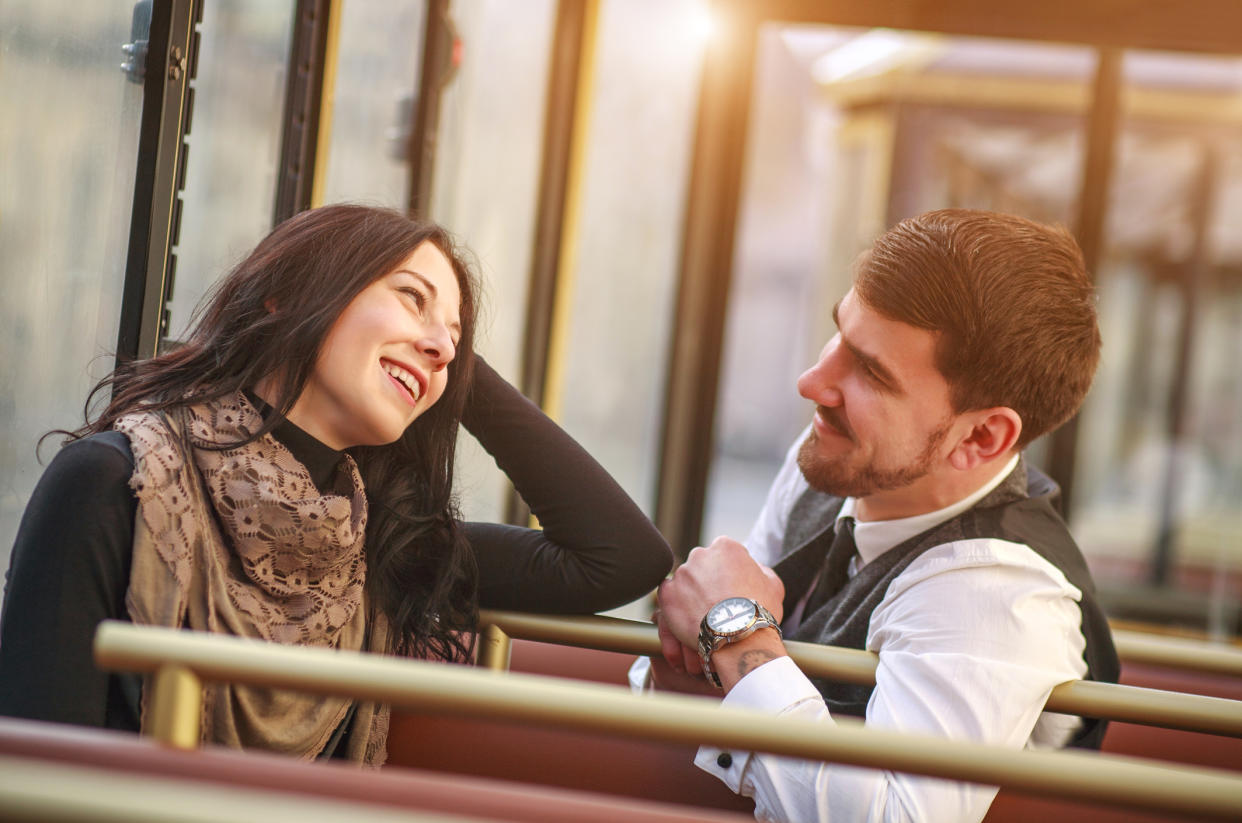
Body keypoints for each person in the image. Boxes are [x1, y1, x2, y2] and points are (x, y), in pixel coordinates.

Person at [0, 204, 672, 764]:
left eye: (457, 341)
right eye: (411, 296)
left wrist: (443, 357)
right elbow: (39, 768)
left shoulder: (378, 543)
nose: (441, 348)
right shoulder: (115, 483)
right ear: (288, 294)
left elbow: (620, 557)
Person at [645, 209, 1119, 822]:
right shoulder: (834, 460)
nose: (812, 381)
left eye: (871, 371)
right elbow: (694, 669)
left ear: (980, 438)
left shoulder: (997, 591)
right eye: (838, 332)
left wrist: (734, 633)